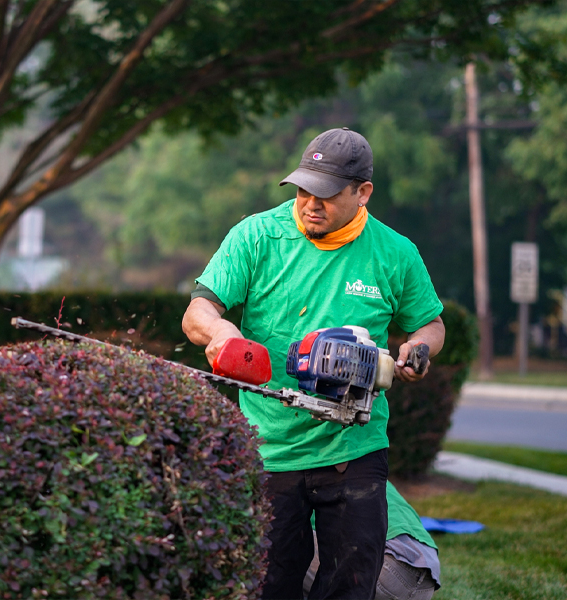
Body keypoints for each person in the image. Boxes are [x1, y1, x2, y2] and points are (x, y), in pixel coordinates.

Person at [181, 127, 446, 600]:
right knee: (268, 585)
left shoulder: (395, 253)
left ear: (362, 192)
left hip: (355, 451)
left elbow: (430, 325)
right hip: (269, 450)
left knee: (350, 584)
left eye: (325, 194)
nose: (310, 203)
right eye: (303, 189)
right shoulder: (257, 236)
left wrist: (417, 350)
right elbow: (199, 311)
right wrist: (224, 334)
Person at [303, 481, 441, 600]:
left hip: (383, 567)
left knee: (288, 545)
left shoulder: (302, 472)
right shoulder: (371, 467)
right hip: (426, 577)